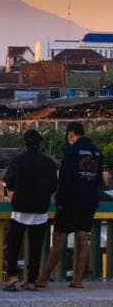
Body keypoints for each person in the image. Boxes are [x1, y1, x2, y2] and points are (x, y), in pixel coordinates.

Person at [36, 122, 104, 289]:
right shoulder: (97, 152)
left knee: (59, 239)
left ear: (71, 134)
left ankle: (43, 278)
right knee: (83, 239)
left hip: (71, 201)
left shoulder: (72, 151)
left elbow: (65, 179)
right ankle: (78, 280)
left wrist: (60, 202)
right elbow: (98, 179)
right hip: (89, 201)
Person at [2, 129, 57, 291]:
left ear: (24, 143)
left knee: (13, 245)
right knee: (35, 247)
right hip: (40, 210)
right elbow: (53, 186)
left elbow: (9, 183)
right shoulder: (49, 163)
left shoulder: (17, 161)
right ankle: (32, 281)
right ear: (40, 144)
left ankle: (12, 277)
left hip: (20, 209)